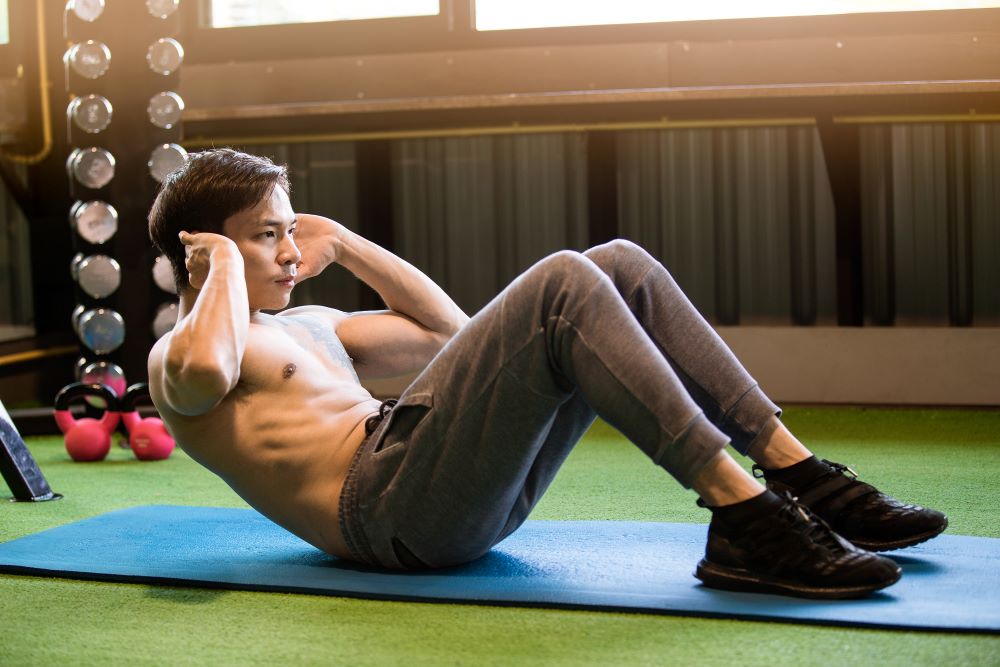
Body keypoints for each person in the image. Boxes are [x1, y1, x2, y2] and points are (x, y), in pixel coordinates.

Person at [147, 148, 947, 600]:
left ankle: (794, 469)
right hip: (387, 510)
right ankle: (746, 516)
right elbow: (201, 370)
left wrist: (349, 242)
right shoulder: (176, 356)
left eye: (292, 231)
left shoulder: (310, 326)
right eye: (265, 236)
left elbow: (450, 341)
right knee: (565, 279)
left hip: (437, 481)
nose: (291, 251)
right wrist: (217, 260)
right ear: (199, 249)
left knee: (617, 265)